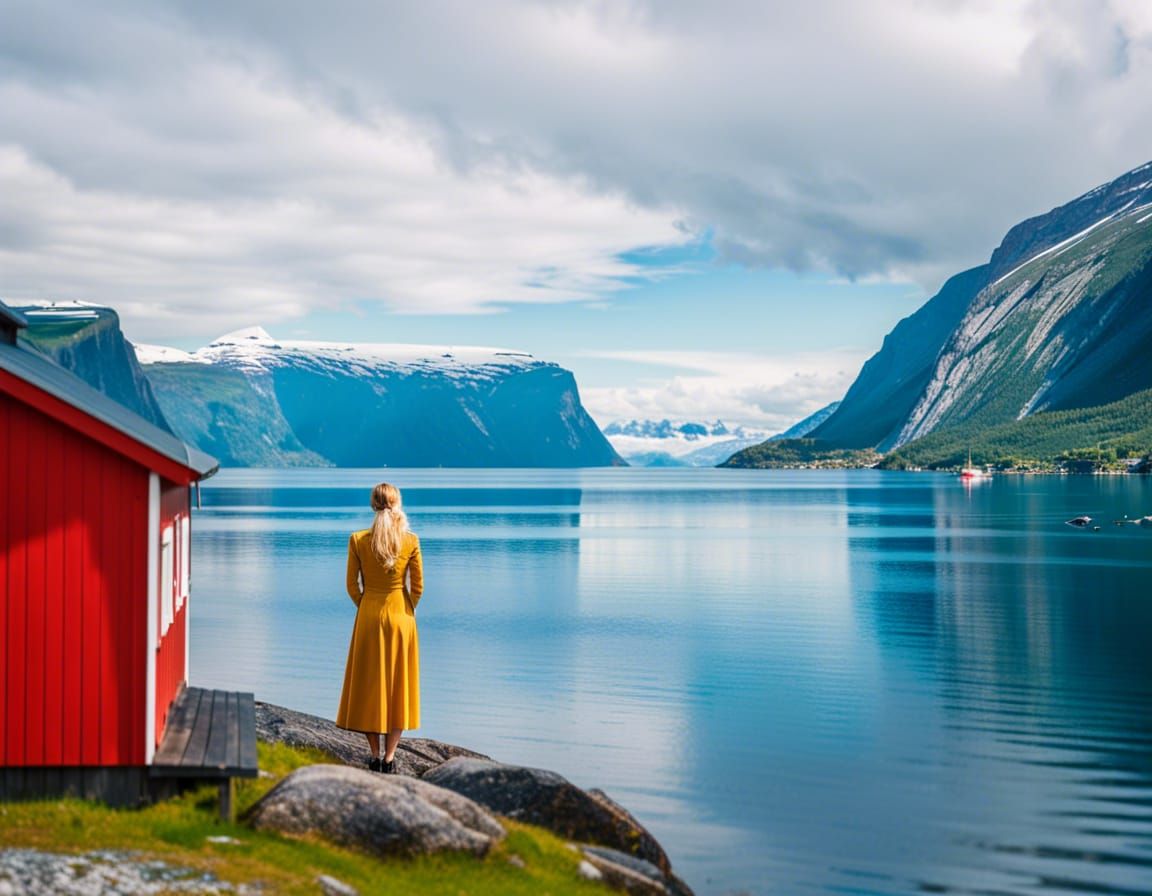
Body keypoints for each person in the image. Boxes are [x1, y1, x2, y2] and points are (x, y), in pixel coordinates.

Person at [336, 482, 423, 772]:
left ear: (373, 504)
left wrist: (366, 604)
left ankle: (374, 755)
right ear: (397, 503)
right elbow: (418, 587)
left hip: (369, 615)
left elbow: (351, 586)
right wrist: (406, 609)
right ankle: (390, 758)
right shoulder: (411, 540)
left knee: (368, 686)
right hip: (401, 616)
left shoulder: (358, 539)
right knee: (399, 687)